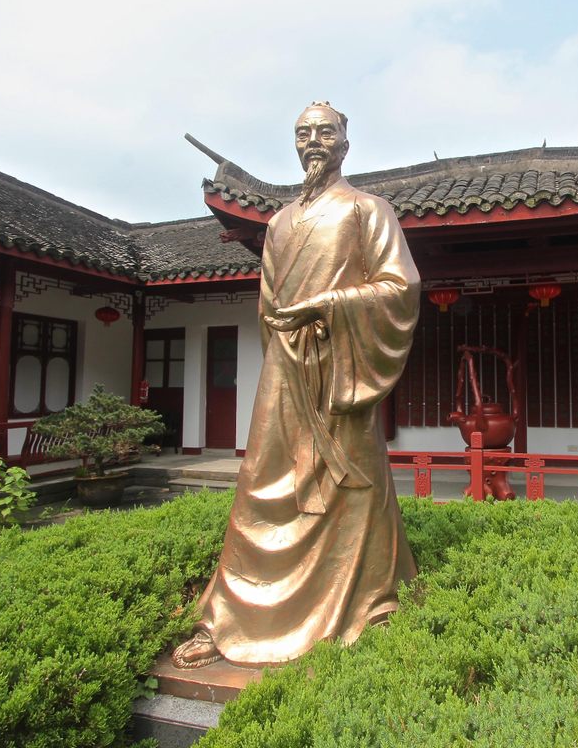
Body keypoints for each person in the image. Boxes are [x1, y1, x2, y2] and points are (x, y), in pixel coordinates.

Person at [172, 102, 420, 669]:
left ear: (345, 143)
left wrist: (329, 308)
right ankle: (231, 616)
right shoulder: (279, 223)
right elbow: (268, 305)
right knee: (261, 488)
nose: (313, 141)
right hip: (286, 372)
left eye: (324, 132)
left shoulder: (367, 210)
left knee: (353, 485)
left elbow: (399, 287)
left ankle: (366, 605)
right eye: (303, 133)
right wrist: (287, 349)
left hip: (341, 372)